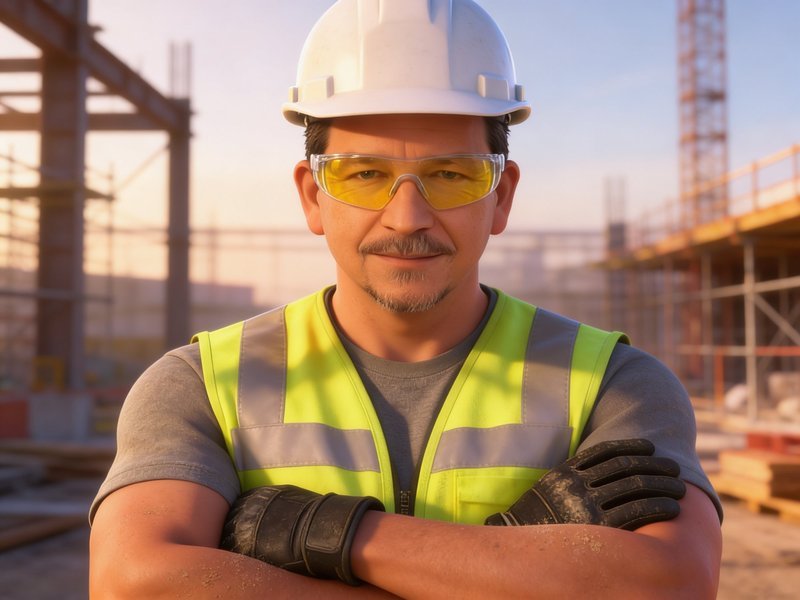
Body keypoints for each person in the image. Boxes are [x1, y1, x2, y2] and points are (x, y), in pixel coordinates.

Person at [89, 1, 723, 597]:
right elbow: (134, 583)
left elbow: (671, 583)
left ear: (501, 197)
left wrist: (342, 536)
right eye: (365, 174)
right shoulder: (205, 385)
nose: (407, 217)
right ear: (313, 196)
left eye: (452, 174)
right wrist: (503, 569)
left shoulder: (613, 385)